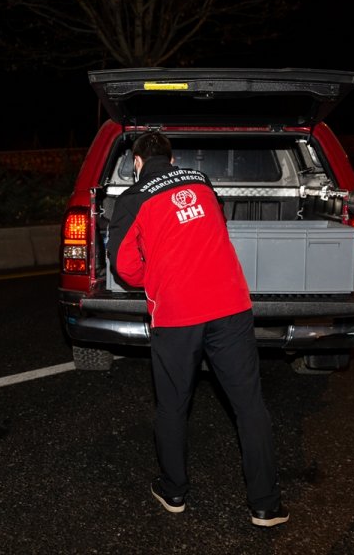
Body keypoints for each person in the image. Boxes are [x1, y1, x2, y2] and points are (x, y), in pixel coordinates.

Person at [106, 131, 288, 527]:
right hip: (230, 305)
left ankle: (173, 492)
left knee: (173, 405)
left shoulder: (132, 198)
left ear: (136, 163)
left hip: (177, 314)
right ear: (172, 160)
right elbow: (212, 226)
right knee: (249, 405)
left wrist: (152, 276)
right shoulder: (201, 181)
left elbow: (122, 265)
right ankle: (265, 504)